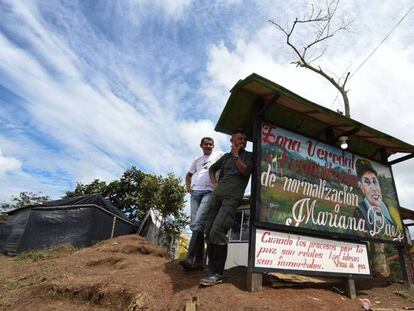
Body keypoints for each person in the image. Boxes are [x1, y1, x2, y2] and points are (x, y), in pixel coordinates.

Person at [199, 129, 253, 286]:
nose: (243, 141)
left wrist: (236, 154)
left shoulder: (248, 156)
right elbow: (211, 169)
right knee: (208, 231)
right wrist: (214, 183)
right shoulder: (225, 157)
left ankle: (218, 273)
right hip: (217, 197)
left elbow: (245, 171)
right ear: (232, 140)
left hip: (231, 199)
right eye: (240, 138)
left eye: (245, 139)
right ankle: (211, 270)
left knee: (218, 231)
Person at [180, 137, 224, 270]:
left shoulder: (219, 155)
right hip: (195, 194)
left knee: (198, 222)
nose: (209, 146)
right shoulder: (196, 160)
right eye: (206, 144)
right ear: (201, 146)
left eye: (211, 144)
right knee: (195, 226)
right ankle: (199, 260)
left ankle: (190, 259)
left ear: (213, 146)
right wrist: (188, 187)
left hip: (209, 192)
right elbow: (188, 174)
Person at [354, 159, 395, 233]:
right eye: (367, 182)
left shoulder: (389, 209)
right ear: (361, 187)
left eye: (375, 181)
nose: (374, 188)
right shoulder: (360, 211)